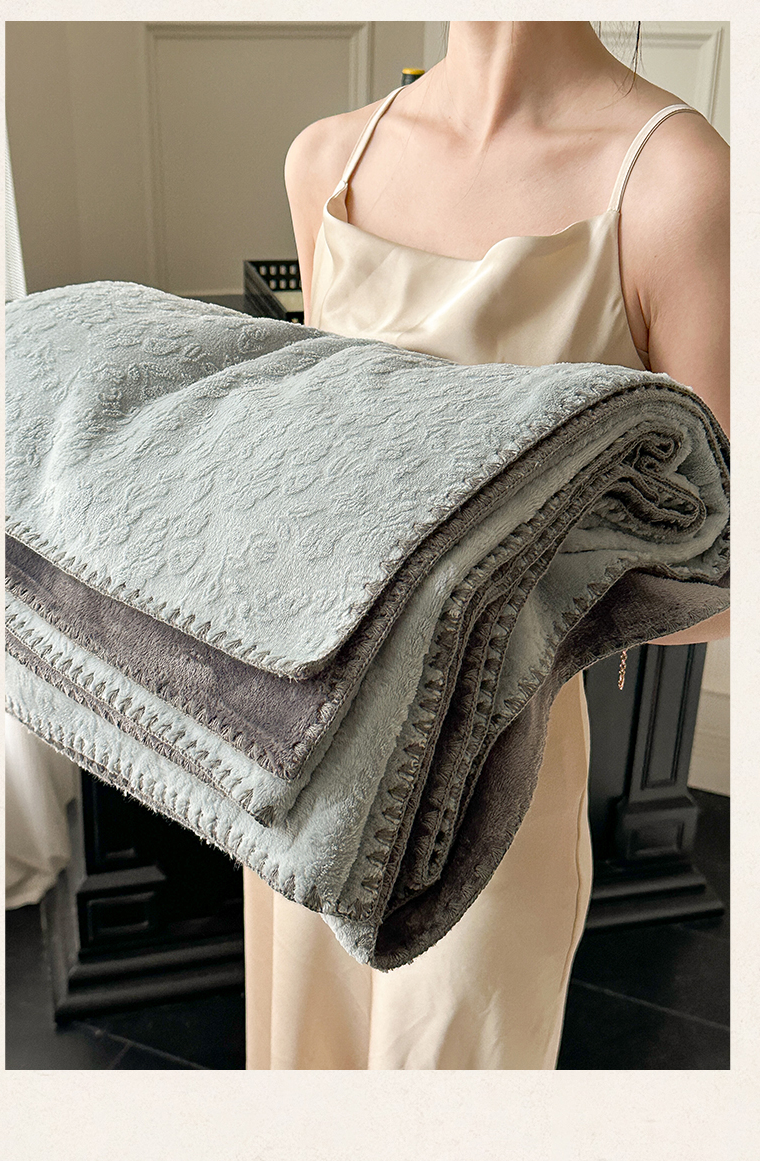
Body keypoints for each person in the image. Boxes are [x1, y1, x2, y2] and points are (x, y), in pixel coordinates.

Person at [243, 20, 730, 1070]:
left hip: (488, 790)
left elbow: (725, 575)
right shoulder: (327, 158)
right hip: (298, 754)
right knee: (301, 1072)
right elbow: (303, 477)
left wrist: (518, 591)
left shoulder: (681, 184)